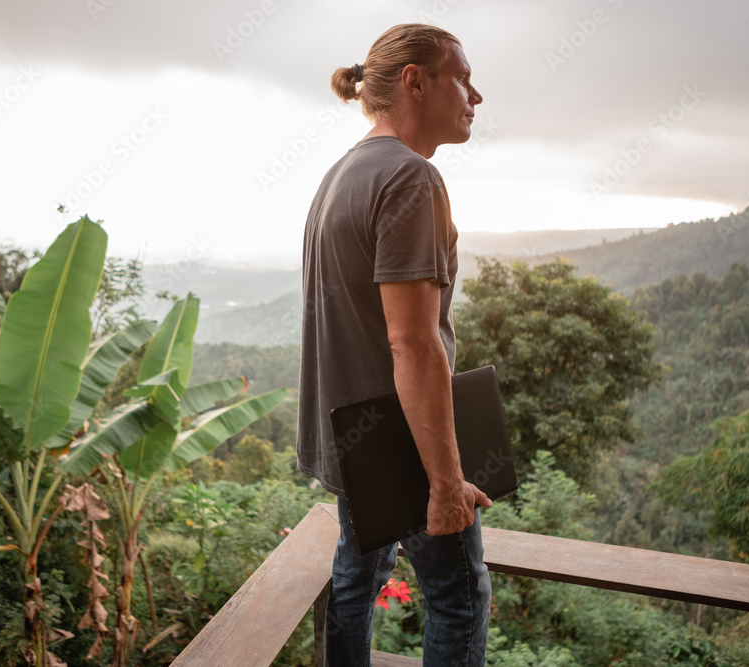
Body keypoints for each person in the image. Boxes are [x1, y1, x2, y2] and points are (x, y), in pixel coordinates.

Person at [296, 23, 491, 666]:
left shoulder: (340, 175)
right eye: (462, 76)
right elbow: (412, 342)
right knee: (458, 595)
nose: (476, 95)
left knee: (356, 575)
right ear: (415, 80)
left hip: (357, 437)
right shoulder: (411, 180)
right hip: (402, 447)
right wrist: (445, 481)